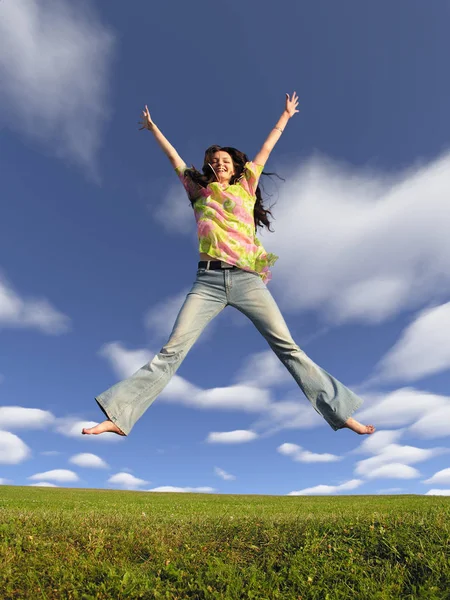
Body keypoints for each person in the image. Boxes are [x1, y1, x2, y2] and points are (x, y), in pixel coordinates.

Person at [82, 92, 375, 438]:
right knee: (171, 350)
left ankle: (340, 413)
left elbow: (266, 149)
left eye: (226, 160)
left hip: (248, 280)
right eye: (215, 160)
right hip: (206, 283)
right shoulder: (198, 192)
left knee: (288, 347)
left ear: (236, 166)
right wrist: (154, 129)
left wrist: (285, 116)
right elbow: (174, 159)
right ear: (209, 166)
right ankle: (121, 415)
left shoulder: (247, 185)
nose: (220, 163)